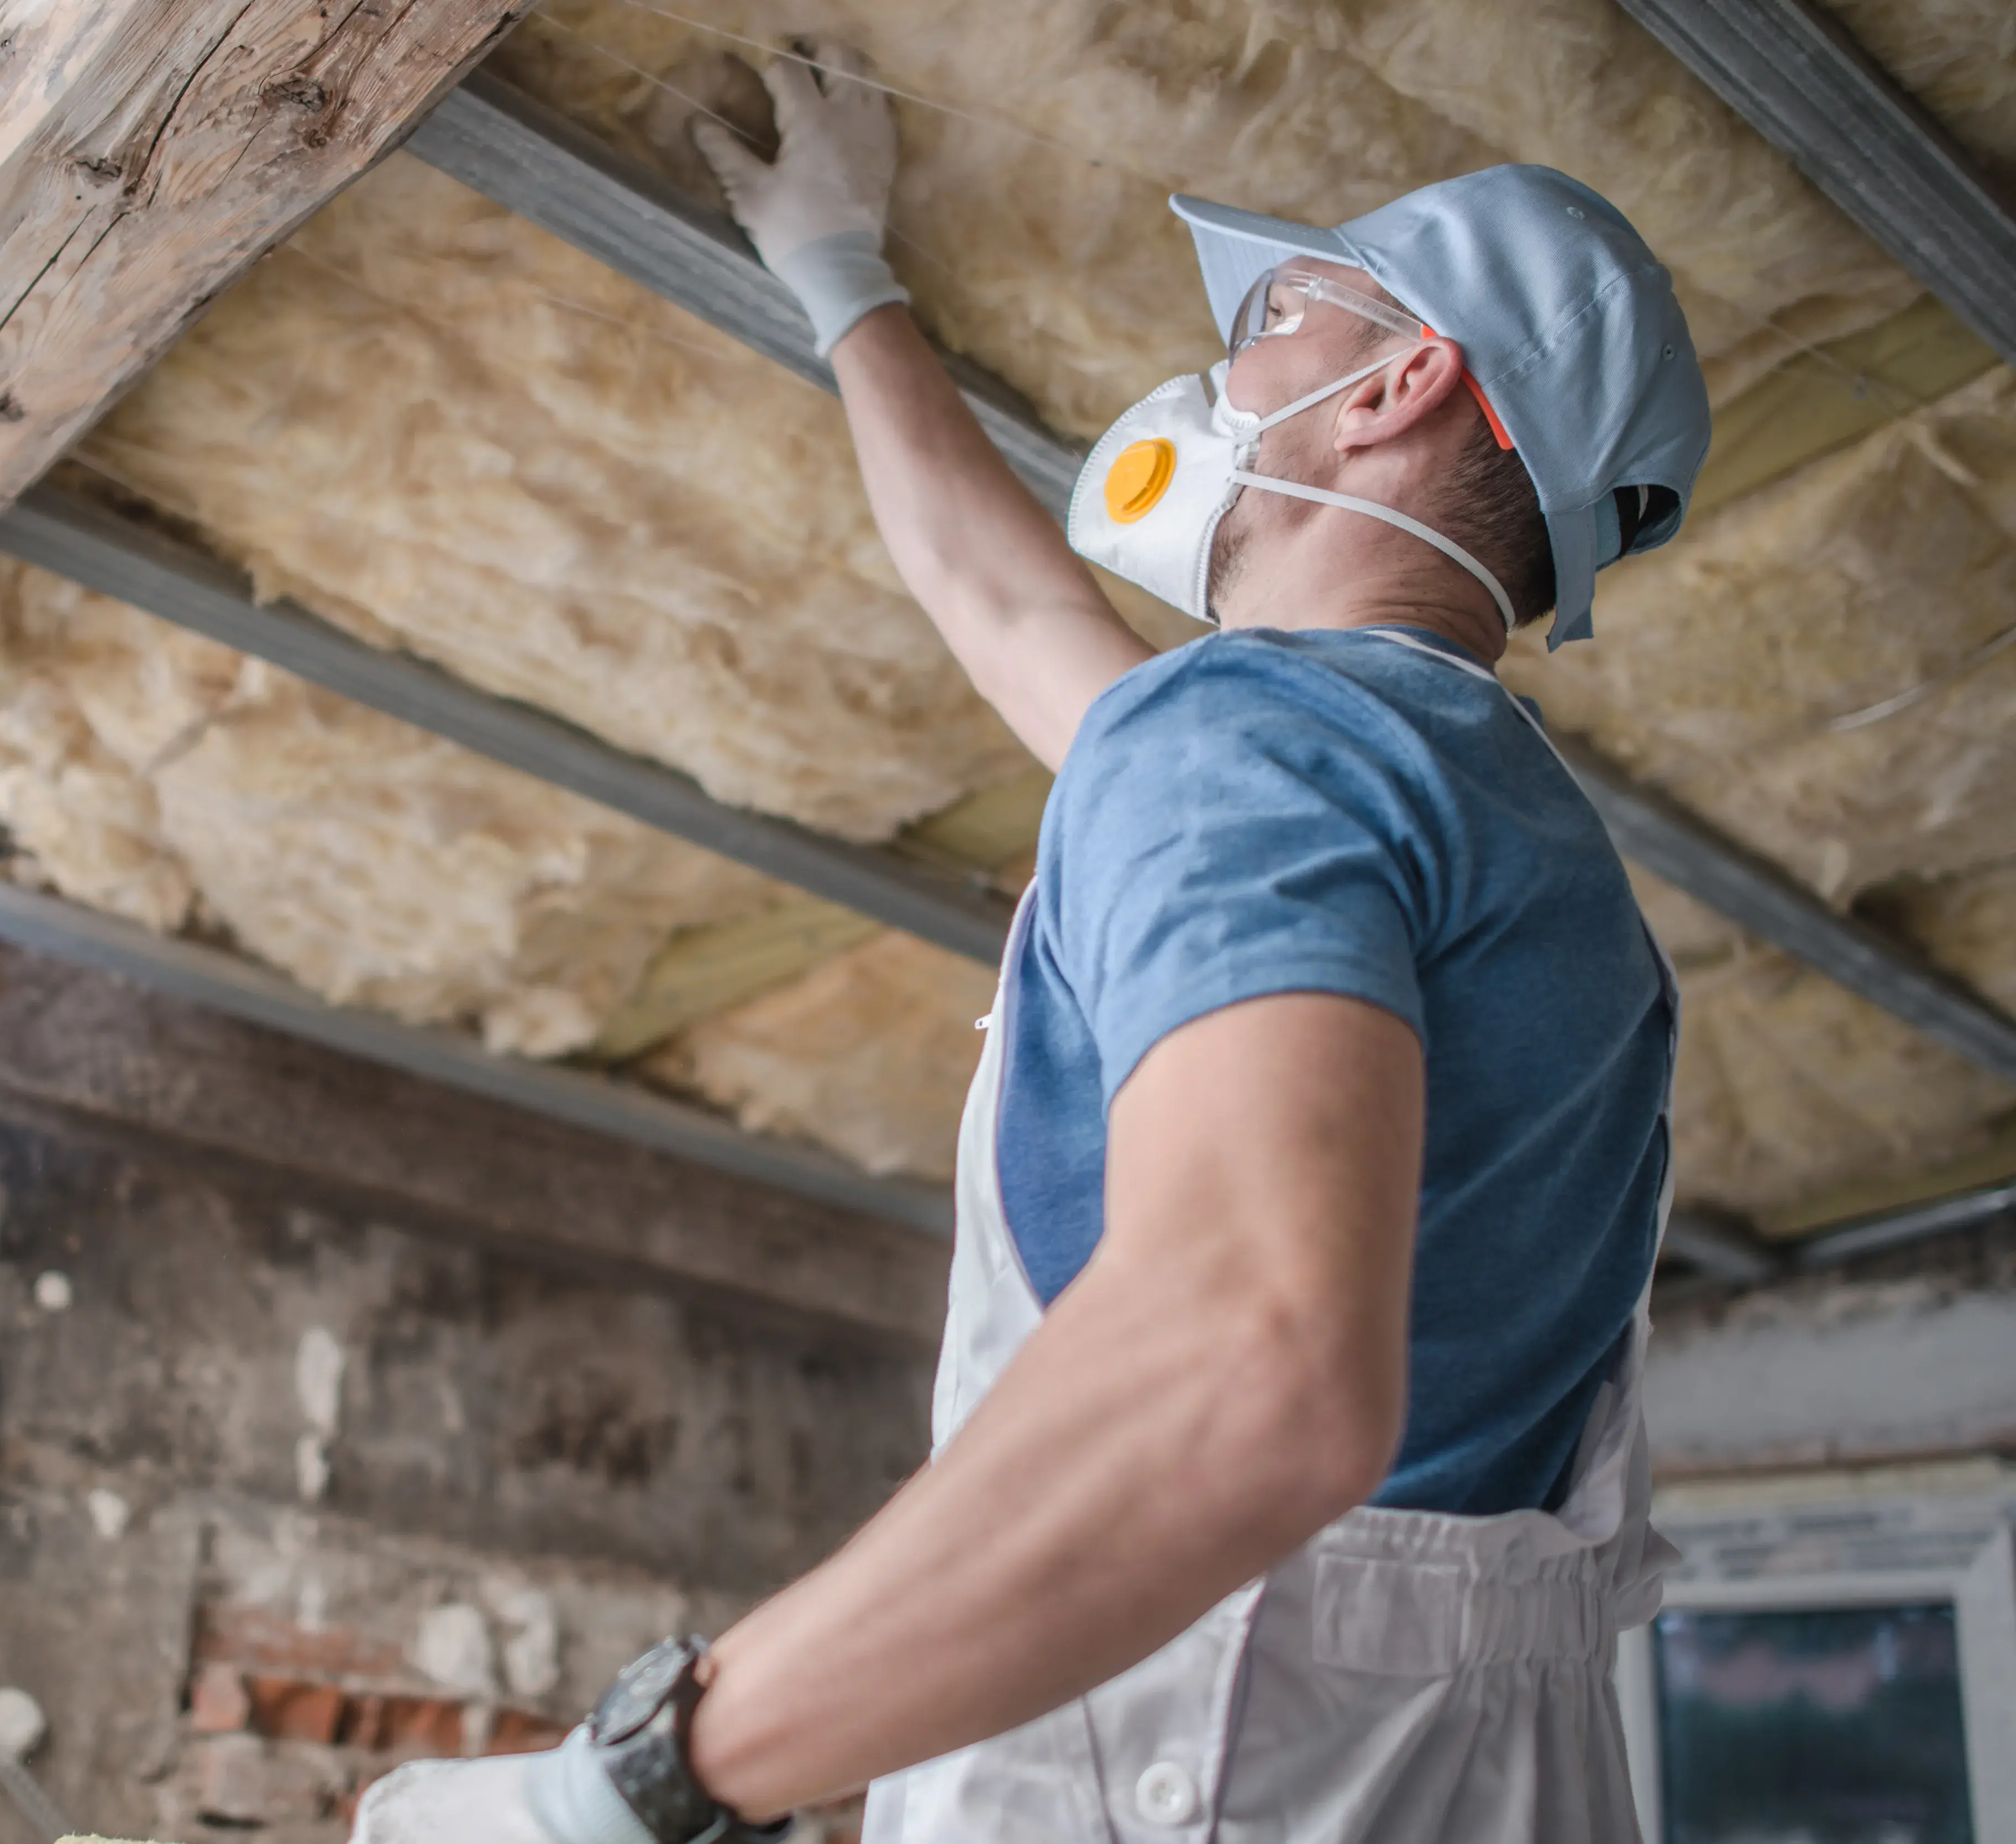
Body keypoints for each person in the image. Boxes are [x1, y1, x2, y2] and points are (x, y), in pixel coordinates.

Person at [354, 39, 1710, 1844]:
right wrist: (844, 278)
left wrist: (623, 1791)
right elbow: (1003, 608)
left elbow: (1250, 1380)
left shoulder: (1252, 741)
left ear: (1400, 385)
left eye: (1282, 315)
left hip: (1200, 1758)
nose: (1222, 361)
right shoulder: (1533, 867)